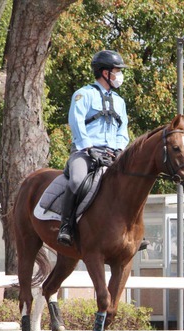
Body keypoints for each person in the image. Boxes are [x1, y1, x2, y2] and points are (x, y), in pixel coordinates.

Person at [57, 50, 130, 246]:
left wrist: (120, 149)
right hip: (85, 152)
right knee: (77, 180)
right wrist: (89, 147)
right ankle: (66, 226)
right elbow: (76, 122)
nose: (119, 75)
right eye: (116, 71)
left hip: (112, 153)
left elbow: (123, 130)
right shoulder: (83, 94)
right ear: (104, 73)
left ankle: (132, 231)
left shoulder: (120, 102)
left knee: (131, 184)